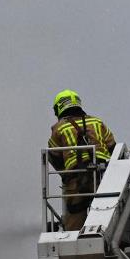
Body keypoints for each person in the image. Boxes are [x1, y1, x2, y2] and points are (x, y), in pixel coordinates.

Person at [47, 90, 116, 230]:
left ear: (60, 107)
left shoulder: (59, 128)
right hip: (104, 176)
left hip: (76, 179)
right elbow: (113, 147)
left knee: (74, 218)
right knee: (110, 209)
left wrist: (66, 175)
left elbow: (53, 156)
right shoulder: (97, 122)